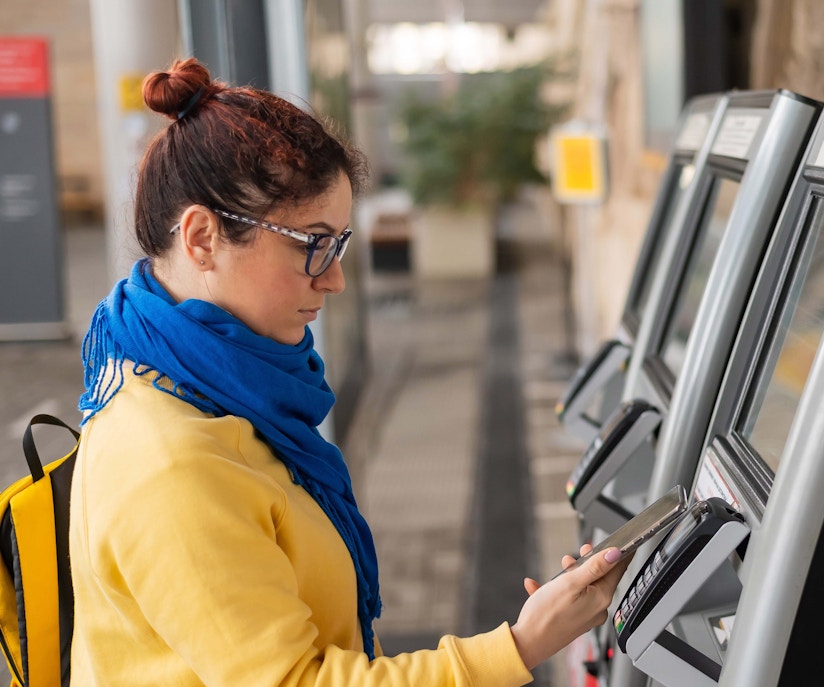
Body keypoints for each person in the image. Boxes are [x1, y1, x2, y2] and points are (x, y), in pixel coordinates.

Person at [69, 57, 627, 686]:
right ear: (202, 238)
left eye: (338, 244)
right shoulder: (169, 461)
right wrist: (523, 644)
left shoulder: (213, 390)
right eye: (311, 243)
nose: (333, 278)